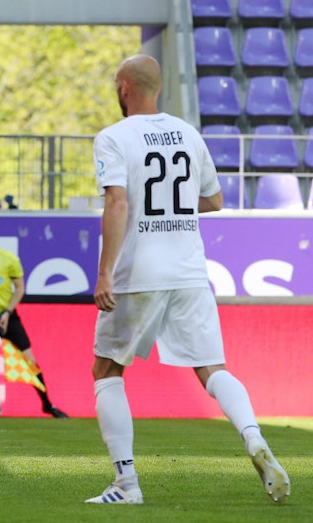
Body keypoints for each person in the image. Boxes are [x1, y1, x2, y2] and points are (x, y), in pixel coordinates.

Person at [87, 54, 290, 505]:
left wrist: (104, 272)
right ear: (157, 88)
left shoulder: (112, 137)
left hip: (138, 274)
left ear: (123, 87)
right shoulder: (188, 133)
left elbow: (117, 204)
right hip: (191, 271)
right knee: (212, 369)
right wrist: (172, 211)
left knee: (107, 369)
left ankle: (127, 484)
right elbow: (214, 200)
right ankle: (253, 437)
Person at [0, 219, 68, 418]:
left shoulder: (8, 259)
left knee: (30, 361)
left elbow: (19, 288)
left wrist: (8, 312)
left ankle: (47, 405)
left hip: (8, 316)